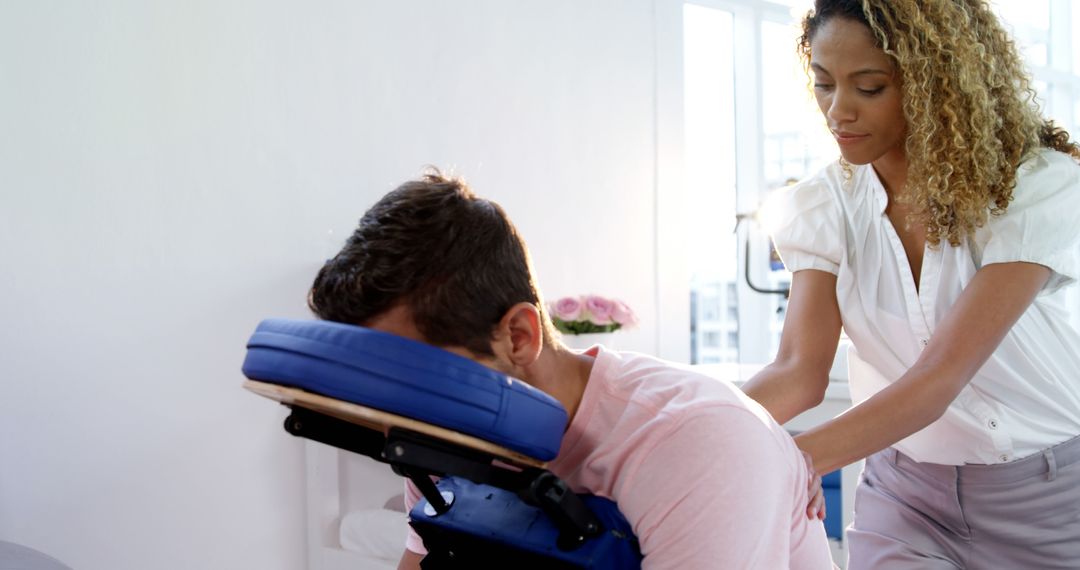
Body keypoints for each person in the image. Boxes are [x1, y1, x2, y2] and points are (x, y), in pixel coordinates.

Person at [307, 171, 835, 570]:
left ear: (519, 336)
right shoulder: (444, 438)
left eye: (418, 380)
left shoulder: (697, 442)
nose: (398, 415)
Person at [741, 1, 1080, 568]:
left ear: (936, 86)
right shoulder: (822, 206)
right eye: (823, 84)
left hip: (1049, 500)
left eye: (869, 88)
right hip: (905, 497)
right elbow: (797, 372)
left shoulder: (1036, 187)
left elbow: (938, 376)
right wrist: (682, 431)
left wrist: (793, 460)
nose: (837, 111)